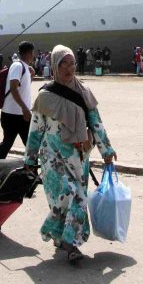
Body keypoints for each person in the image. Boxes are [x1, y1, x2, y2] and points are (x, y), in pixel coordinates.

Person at [24, 45, 116, 262]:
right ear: (55, 66)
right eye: (63, 64)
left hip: (79, 156)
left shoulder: (84, 92)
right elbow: (35, 130)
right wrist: (30, 158)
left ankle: (70, 243)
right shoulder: (45, 96)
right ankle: (66, 240)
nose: (69, 68)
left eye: (72, 63)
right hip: (52, 158)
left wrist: (106, 150)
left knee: (77, 197)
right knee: (64, 199)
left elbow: (96, 123)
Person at [0, 41, 35, 159]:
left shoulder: (25, 67)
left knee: (28, 145)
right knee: (8, 144)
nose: (33, 56)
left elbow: (23, 88)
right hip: (13, 115)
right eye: (33, 53)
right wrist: (25, 109)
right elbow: (13, 89)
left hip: (20, 114)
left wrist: (31, 75)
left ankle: (32, 173)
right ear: (29, 53)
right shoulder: (18, 66)